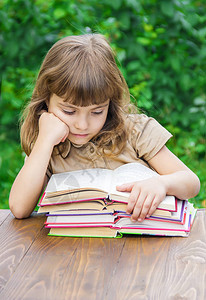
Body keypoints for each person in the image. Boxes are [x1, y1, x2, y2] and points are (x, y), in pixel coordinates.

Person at [9, 34, 200, 221]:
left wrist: (162, 184)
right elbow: (19, 208)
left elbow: (191, 183)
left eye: (97, 112)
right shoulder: (48, 146)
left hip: (141, 246)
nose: (82, 125)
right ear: (46, 100)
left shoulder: (135, 131)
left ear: (110, 102)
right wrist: (44, 141)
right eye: (69, 111)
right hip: (75, 249)